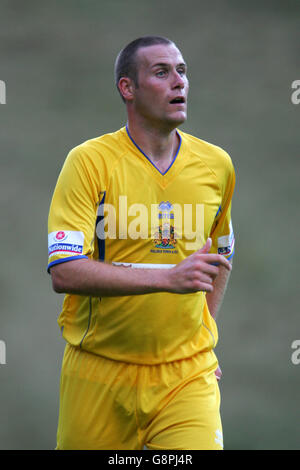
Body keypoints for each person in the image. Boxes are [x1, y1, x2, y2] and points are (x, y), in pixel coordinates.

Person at [47, 35, 235, 450]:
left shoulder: (216, 165)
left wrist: (202, 336)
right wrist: (168, 277)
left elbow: (221, 255)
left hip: (186, 375)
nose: (179, 83)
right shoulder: (89, 162)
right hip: (98, 372)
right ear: (127, 89)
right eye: (162, 72)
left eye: (182, 72)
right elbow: (63, 270)